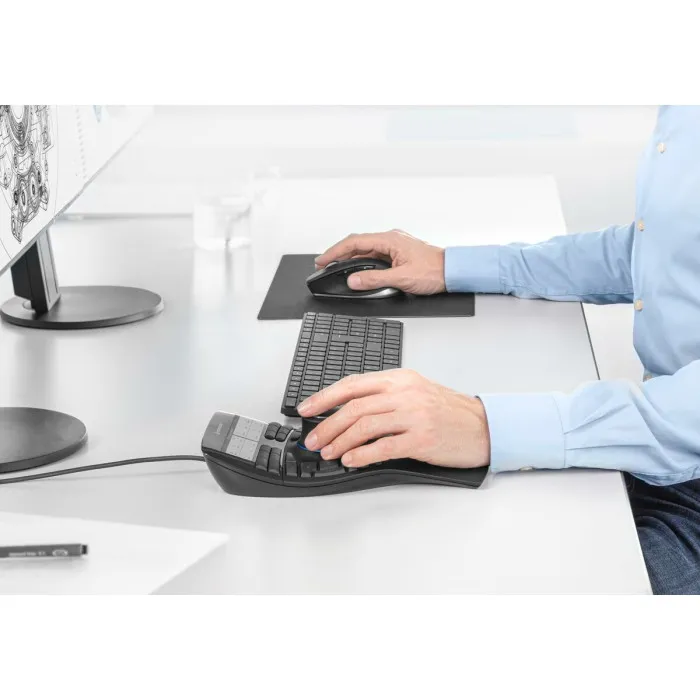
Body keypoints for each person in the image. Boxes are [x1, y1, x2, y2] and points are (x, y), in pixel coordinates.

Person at [297, 105, 700, 595]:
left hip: (686, 484)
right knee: (419, 535)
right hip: (658, 455)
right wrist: (449, 266)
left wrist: (485, 425)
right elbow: (656, 251)